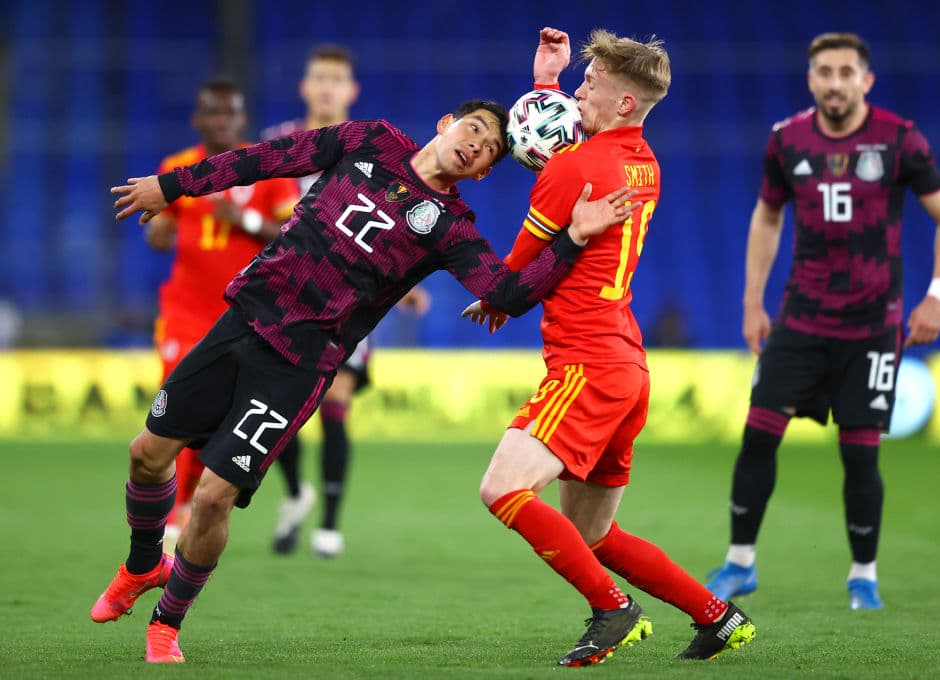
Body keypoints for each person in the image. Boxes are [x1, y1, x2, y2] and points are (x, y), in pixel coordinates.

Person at [92, 97, 639, 663]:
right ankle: (140, 565)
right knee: (147, 454)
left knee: (212, 497)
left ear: (481, 172)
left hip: (299, 367)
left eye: (490, 150)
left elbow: (505, 294)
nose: (477, 144)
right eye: (473, 129)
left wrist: (572, 239)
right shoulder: (369, 140)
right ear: (445, 123)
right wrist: (173, 185)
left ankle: (167, 626)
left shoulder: (451, 229)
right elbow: (268, 158)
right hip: (240, 324)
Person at [463, 28, 755, 667]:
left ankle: (611, 608)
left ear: (624, 102)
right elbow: (566, 139)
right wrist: (544, 82)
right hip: (627, 363)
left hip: (586, 363)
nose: (577, 90)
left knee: (503, 489)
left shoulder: (575, 167)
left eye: (589, 83)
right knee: (593, 531)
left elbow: (515, 278)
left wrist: (493, 294)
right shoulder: (643, 160)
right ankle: (719, 616)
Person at [704, 32, 940, 610]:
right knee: (758, 435)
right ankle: (740, 563)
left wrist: (938, 295)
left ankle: (863, 576)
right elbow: (767, 217)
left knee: (860, 453)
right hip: (801, 319)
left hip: (873, 324)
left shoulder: (899, 140)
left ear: (865, 80)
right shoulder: (787, 140)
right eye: (824, 71)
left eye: (847, 72)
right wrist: (753, 301)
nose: (835, 82)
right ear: (811, 79)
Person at [261, 44, 433, 558]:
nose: (328, 86)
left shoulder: (373, 150)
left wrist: (406, 284)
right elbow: (259, 213)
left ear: (352, 90)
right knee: (278, 409)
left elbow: (394, 223)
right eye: (320, 77)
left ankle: (329, 526)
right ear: (305, 86)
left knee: (335, 402)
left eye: (337, 78)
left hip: (348, 298)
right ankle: (295, 494)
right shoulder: (277, 144)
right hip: (282, 293)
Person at [146, 77, 299, 542]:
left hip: (243, 316)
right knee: (175, 406)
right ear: (198, 119)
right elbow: (160, 230)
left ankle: (192, 499)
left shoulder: (265, 169)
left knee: (218, 415)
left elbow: (292, 234)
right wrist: (156, 226)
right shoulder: (177, 167)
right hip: (185, 311)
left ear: (241, 118)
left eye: (228, 112)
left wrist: (244, 219)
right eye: (212, 112)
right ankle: (174, 509)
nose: (220, 120)